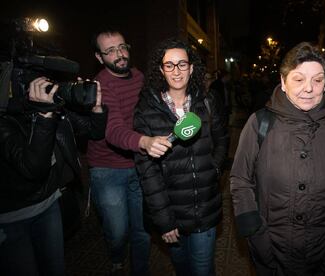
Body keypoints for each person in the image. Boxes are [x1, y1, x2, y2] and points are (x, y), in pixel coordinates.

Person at [230, 42, 325, 276]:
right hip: (271, 253)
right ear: (283, 83)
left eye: (318, 80)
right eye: (299, 79)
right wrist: (254, 230)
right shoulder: (259, 123)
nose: (309, 88)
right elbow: (240, 179)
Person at [133, 37, 229, 276]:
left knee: (203, 269)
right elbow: (147, 170)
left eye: (182, 64)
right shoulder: (146, 110)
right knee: (182, 268)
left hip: (205, 208)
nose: (176, 71)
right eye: (169, 65)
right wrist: (164, 219)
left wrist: (214, 169)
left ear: (192, 68)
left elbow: (222, 140)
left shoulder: (207, 103)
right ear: (161, 70)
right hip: (172, 210)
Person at [0, 77, 107, 276]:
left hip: (49, 203)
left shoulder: (56, 109)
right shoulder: (6, 118)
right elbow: (33, 168)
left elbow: (94, 132)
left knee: (55, 269)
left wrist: (97, 107)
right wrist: (43, 115)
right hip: (11, 219)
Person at [87, 27, 171, 275]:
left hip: (138, 164)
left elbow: (150, 111)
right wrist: (145, 142)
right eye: (110, 51)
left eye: (122, 47)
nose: (119, 54)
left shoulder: (138, 76)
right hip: (107, 170)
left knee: (142, 229)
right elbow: (112, 131)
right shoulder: (100, 85)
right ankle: (115, 254)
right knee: (118, 231)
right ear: (99, 58)